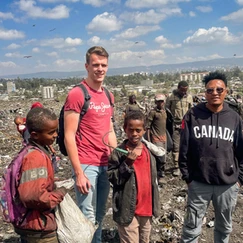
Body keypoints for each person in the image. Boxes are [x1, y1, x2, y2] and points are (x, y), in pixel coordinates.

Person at [179, 71, 243, 243]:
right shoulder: (193, 115)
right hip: (199, 183)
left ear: (226, 91)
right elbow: (184, 148)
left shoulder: (234, 118)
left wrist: (239, 180)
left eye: (219, 89)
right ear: (205, 92)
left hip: (227, 185)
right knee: (191, 229)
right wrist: (188, 177)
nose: (215, 93)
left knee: (224, 229)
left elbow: (240, 150)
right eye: (210, 90)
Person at [63, 46, 117, 243]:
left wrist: (116, 158)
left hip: (104, 162)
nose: (100, 69)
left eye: (103, 65)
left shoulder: (108, 95)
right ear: (87, 66)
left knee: (101, 214)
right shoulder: (77, 94)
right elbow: (69, 135)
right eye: (95, 65)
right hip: (86, 164)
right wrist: (78, 172)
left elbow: (109, 130)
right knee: (87, 215)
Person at [14, 107, 66, 242]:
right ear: (35, 135)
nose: (55, 135)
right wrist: (58, 194)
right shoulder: (36, 157)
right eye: (51, 132)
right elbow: (33, 196)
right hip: (38, 228)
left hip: (32, 225)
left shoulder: (33, 151)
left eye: (56, 131)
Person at [107, 110, 159, 243]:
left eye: (138, 130)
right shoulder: (119, 153)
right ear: (125, 129)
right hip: (127, 210)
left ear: (144, 130)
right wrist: (127, 164)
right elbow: (113, 178)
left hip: (146, 209)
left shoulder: (149, 151)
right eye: (131, 130)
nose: (134, 134)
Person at [166, 81, 193, 176]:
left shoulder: (189, 97)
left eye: (185, 90)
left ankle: (188, 164)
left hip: (186, 124)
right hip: (175, 124)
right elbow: (167, 111)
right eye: (182, 90)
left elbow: (191, 110)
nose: (184, 92)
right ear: (178, 88)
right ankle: (176, 167)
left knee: (188, 144)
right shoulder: (171, 97)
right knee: (176, 146)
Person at [146, 94, 167, 185]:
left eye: (162, 101)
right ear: (155, 102)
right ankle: (160, 176)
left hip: (164, 138)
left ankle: (160, 173)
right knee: (160, 158)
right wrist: (149, 140)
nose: (160, 103)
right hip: (156, 138)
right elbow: (148, 127)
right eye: (158, 101)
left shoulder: (165, 111)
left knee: (164, 157)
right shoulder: (153, 112)